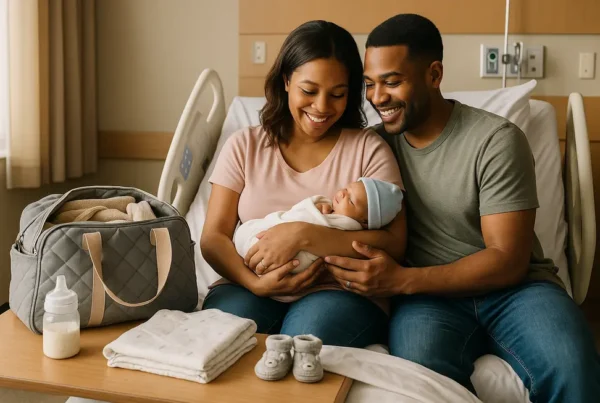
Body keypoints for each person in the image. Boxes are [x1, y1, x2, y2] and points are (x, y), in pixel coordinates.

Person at [321, 13, 600, 402]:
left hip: (516, 291)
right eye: (370, 84)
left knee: (572, 364)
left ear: (434, 75)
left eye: (393, 82)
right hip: (429, 304)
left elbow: (507, 259)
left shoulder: (495, 141)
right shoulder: (374, 147)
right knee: (424, 377)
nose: (377, 97)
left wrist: (401, 280)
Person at [200, 20, 406, 348]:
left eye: (337, 94)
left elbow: (394, 242)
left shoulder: (368, 148)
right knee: (218, 339)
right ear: (286, 81)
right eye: (309, 91)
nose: (322, 107)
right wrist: (254, 283)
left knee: (302, 346)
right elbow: (213, 237)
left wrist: (306, 234)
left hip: (338, 290)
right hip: (247, 285)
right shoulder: (245, 146)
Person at [233, 178, 403, 280]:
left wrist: (313, 210)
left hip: (298, 262)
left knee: (247, 236)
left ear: (364, 222)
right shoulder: (331, 210)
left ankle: (258, 256)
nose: (342, 194)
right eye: (346, 189)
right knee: (249, 233)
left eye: (350, 201)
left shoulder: (348, 227)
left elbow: (309, 220)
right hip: (261, 261)